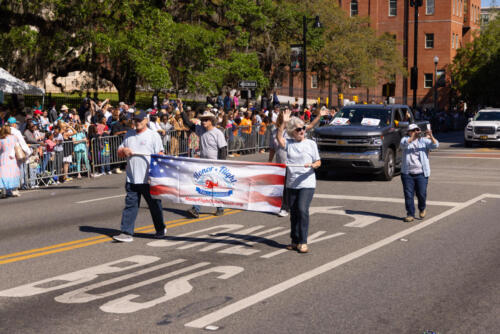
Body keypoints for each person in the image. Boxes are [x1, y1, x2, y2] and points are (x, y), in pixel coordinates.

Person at [112, 110, 166, 243]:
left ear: (146, 120)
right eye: (134, 120)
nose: (137, 123)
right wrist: (124, 151)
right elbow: (119, 151)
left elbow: (159, 155)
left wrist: (155, 174)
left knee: (154, 205)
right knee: (130, 205)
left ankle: (160, 228)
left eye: (139, 120)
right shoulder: (129, 135)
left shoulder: (153, 136)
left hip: (148, 178)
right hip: (132, 178)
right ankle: (126, 232)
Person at [276, 109, 321, 253]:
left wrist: (313, 165)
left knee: (302, 209)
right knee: (294, 212)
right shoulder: (289, 142)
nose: (302, 131)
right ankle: (294, 240)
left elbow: (318, 161)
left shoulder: (311, 144)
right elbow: (279, 138)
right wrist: (284, 122)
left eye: (303, 128)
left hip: (307, 182)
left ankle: (303, 241)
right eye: (298, 129)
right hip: (292, 182)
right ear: (292, 132)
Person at [184, 110, 228, 218]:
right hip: (203, 163)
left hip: (215, 164)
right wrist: (181, 111)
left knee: (214, 187)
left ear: (211, 121)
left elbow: (223, 149)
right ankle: (196, 209)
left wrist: (220, 165)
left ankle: (220, 207)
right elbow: (189, 124)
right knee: (202, 185)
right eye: (202, 119)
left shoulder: (217, 133)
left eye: (206, 120)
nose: (203, 122)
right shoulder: (201, 130)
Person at [400, 123, 439, 222]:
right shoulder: (405, 139)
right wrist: (412, 137)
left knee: (421, 194)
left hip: (421, 173)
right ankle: (410, 214)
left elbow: (435, 145)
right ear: (409, 132)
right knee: (408, 195)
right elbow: (403, 145)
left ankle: (422, 208)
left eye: (416, 130)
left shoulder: (423, 141)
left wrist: (431, 136)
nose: (415, 132)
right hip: (407, 173)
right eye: (412, 130)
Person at [0, 125, 21, 198]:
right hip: (13, 158)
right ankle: (14, 190)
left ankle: (4, 191)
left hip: (4, 158)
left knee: (3, 174)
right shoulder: (14, 138)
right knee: (12, 173)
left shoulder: (1, 140)